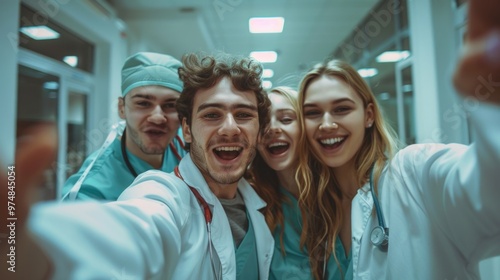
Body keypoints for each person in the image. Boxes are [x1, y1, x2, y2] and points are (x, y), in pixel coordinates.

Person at [3, 52, 273, 279]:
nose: (157, 117)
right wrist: (30, 250)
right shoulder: (148, 193)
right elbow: (128, 234)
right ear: (189, 129)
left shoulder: (184, 152)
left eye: (243, 114)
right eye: (212, 114)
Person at [295, 2, 500, 279]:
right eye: (312, 113)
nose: (327, 123)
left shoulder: (413, 172)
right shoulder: (318, 207)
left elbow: (485, 194)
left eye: (342, 109)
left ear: (368, 116)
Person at [61, 52, 187, 201]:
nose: (158, 117)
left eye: (171, 105)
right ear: (122, 108)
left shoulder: (187, 149)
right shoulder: (92, 190)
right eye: (143, 103)